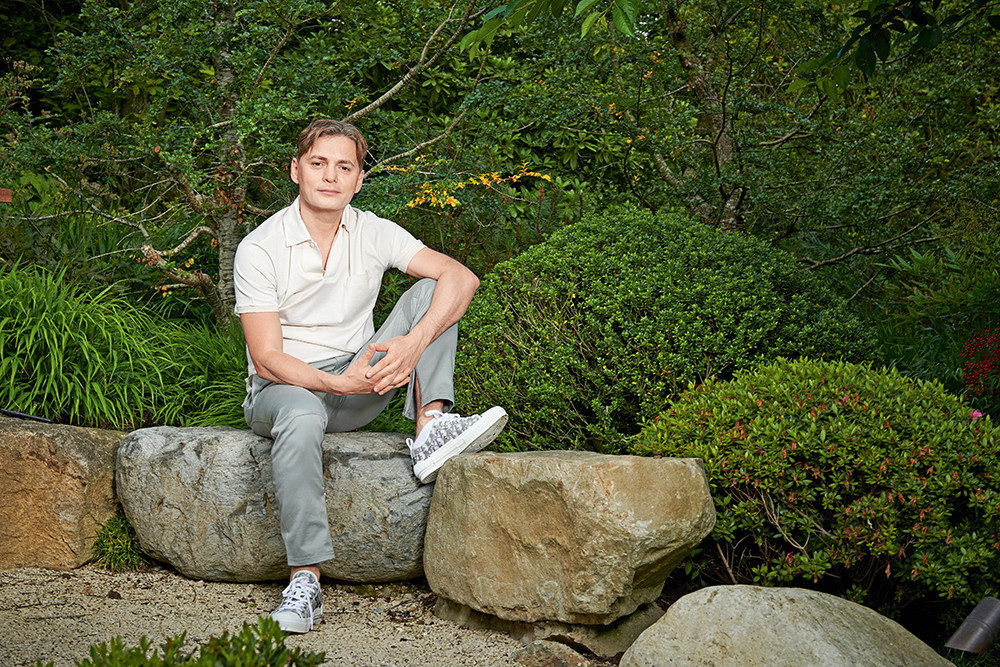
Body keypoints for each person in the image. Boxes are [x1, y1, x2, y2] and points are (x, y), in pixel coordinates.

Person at [233, 118, 507, 634]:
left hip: (363, 377)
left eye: (344, 167)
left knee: (435, 292)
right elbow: (266, 357)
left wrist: (412, 343)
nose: (330, 176)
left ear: (359, 180)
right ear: (295, 170)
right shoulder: (260, 246)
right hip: (284, 389)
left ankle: (430, 427)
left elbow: (462, 277)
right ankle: (305, 581)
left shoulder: (373, 230)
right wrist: (339, 383)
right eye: (318, 163)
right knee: (301, 413)